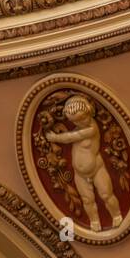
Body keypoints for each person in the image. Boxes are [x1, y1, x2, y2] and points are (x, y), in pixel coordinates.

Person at [45, 95, 123, 233]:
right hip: (79, 173)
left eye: (83, 118)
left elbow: (70, 137)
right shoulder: (78, 128)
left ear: (90, 112)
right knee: (87, 200)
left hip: (97, 169)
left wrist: (55, 138)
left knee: (106, 194)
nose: (81, 122)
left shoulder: (91, 129)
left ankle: (116, 215)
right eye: (76, 121)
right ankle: (94, 222)